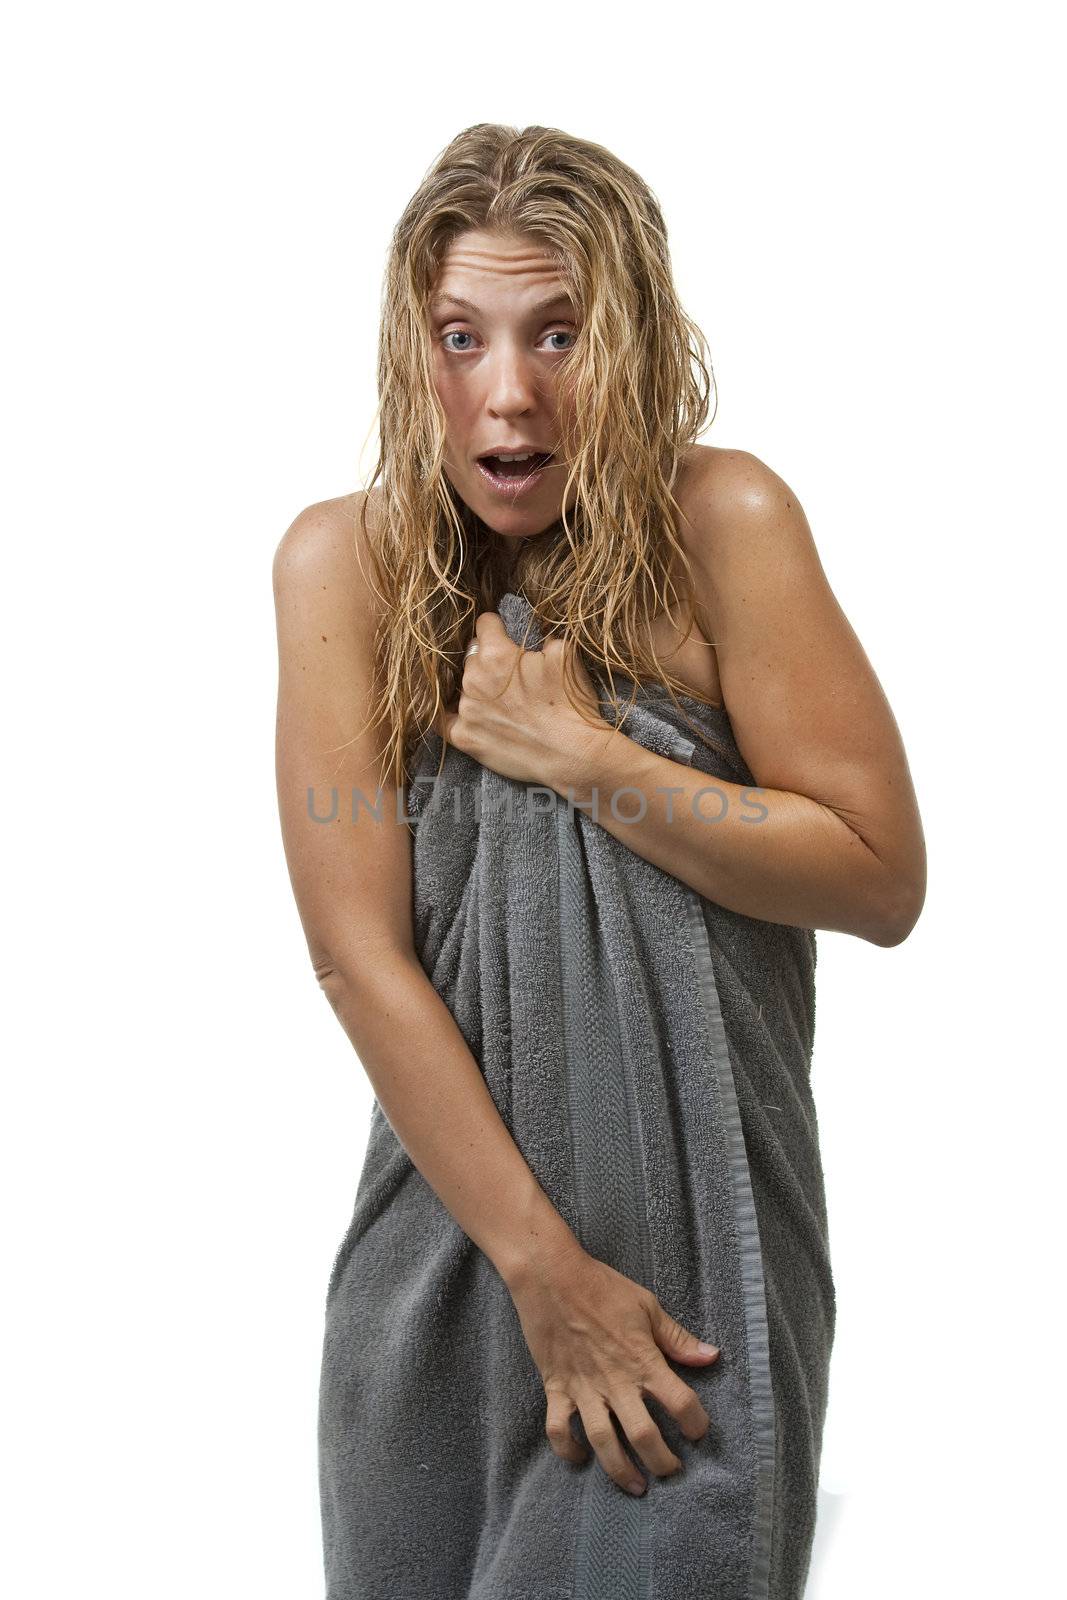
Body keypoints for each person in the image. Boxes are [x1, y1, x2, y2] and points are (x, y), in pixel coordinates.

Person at [272, 123, 926, 1600]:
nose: (510, 391)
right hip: (447, 1263)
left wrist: (597, 763)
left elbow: (879, 874)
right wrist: (541, 1277)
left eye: (558, 331)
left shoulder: (727, 524)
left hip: (692, 1271)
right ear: (409, 348)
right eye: (462, 336)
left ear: (627, 335)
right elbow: (355, 954)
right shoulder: (342, 567)